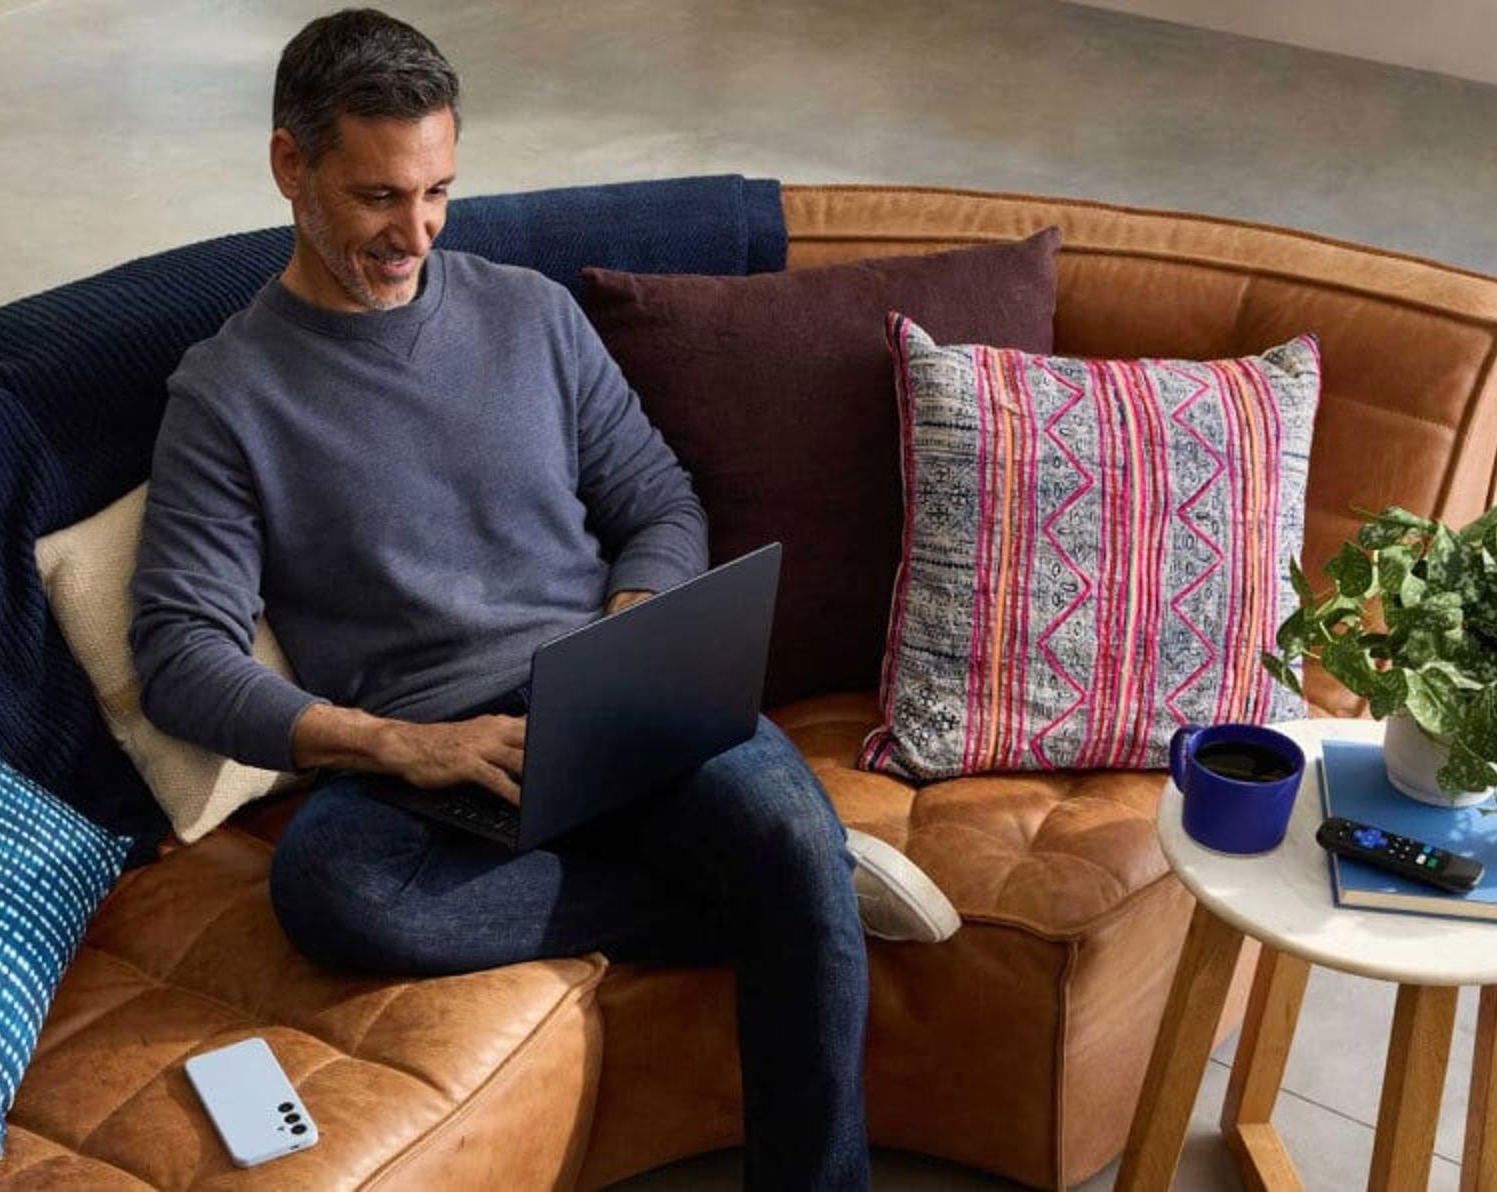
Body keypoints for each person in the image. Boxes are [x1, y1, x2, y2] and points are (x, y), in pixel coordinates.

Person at [128, 10, 953, 1187]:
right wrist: (399, 745)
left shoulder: (529, 314)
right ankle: (802, 892)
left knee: (775, 824)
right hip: (433, 758)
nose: (412, 232)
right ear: (289, 167)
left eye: (437, 192)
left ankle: (795, 889)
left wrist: (633, 625)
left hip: (615, 702)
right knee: (331, 894)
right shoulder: (227, 396)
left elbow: (658, 500)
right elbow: (179, 653)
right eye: (376, 197)